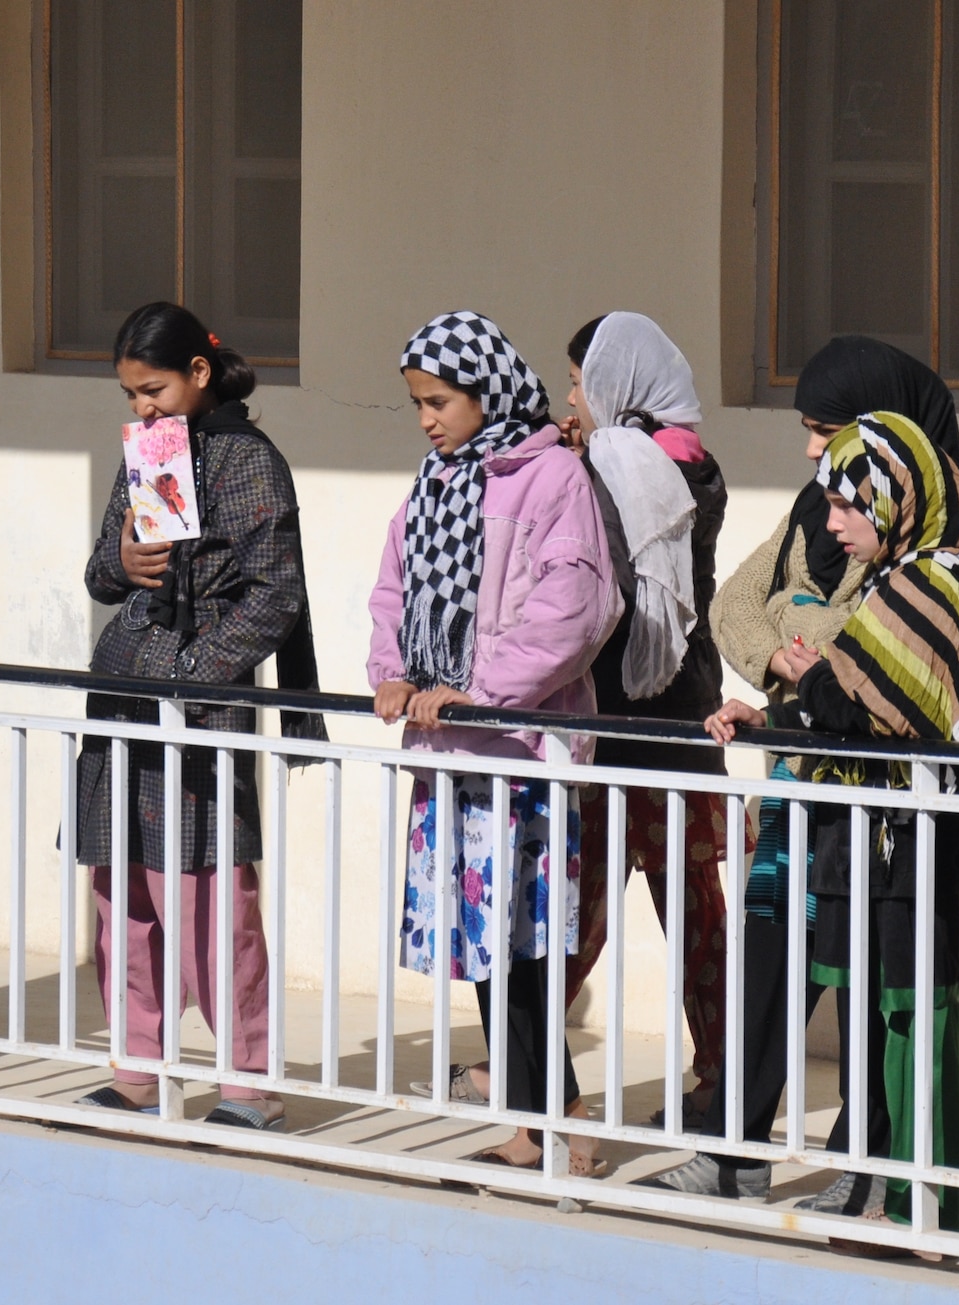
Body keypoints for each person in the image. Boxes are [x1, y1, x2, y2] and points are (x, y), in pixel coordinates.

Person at [653, 337, 959, 1214]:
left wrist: (805, 635)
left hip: (877, 806)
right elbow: (733, 608)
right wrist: (797, 664)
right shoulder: (820, 507)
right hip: (801, 774)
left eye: (825, 430)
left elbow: (883, 654)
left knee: (867, 975)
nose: (810, 452)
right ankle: (736, 1149)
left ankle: (865, 1164)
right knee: (770, 956)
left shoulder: (922, 519)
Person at [693, 413, 959, 1246]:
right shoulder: (903, 575)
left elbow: (860, 702)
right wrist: (773, 710)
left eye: (843, 503)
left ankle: (906, 1192)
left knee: (907, 1012)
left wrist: (808, 671)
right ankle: (890, 1188)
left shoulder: (929, 587)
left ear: (893, 493)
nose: (828, 522)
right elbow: (813, 674)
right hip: (873, 830)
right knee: (885, 1003)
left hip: (906, 838)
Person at [368, 310, 620, 1174]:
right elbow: (393, 587)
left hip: (521, 755)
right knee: (483, 944)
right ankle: (530, 1117)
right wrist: (393, 672)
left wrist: (479, 691)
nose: (428, 419)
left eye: (440, 400)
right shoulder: (435, 481)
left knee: (531, 949)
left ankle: (568, 1116)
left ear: (488, 389)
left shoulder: (552, 478)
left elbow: (574, 614)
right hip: (455, 756)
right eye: (418, 404)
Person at [74, 301, 323, 1131]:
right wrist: (123, 560)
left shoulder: (252, 461)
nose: (141, 407)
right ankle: (136, 1065)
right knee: (124, 890)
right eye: (132, 393)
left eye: (152, 390)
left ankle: (245, 1082)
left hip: (204, 709)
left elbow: (275, 592)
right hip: (125, 698)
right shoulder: (149, 452)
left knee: (211, 898)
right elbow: (102, 576)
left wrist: (194, 669)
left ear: (199, 373)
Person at [559, 312, 731, 1119]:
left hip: (632, 721)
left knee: (593, 901)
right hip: (679, 719)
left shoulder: (624, 469)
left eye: (579, 379)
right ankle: (726, 1070)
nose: (572, 397)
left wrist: (572, 464)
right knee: (688, 905)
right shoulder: (686, 463)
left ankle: (523, 1052)